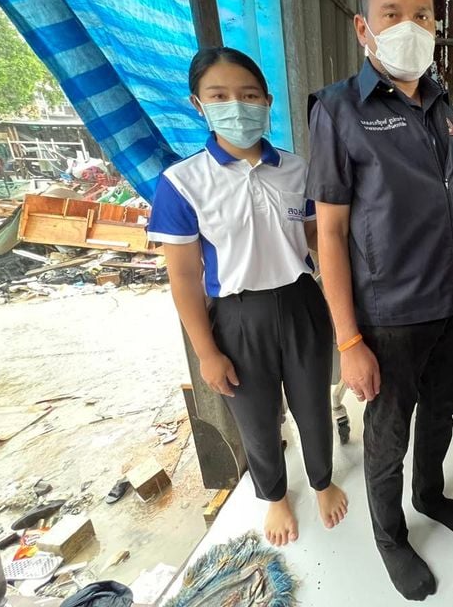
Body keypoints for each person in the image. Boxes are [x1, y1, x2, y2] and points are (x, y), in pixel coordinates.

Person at [306, 0, 453, 602]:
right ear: (364, 28)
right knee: (388, 436)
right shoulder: (338, 110)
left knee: (442, 413)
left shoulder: (441, 104)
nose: (410, 26)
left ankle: (430, 494)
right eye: (392, 14)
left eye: (422, 16)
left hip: (449, 304)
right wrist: (349, 341)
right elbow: (329, 235)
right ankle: (389, 535)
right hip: (388, 318)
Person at [148, 47, 347, 547]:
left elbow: (316, 239)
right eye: (219, 96)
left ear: (267, 101)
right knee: (256, 419)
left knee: (313, 405)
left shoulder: (297, 170)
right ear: (198, 104)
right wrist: (206, 352)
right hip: (237, 317)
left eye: (249, 95)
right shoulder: (183, 183)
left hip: (301, 303)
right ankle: (275, 495)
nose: (237, 106)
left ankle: (322, 482)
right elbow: (185, 278)